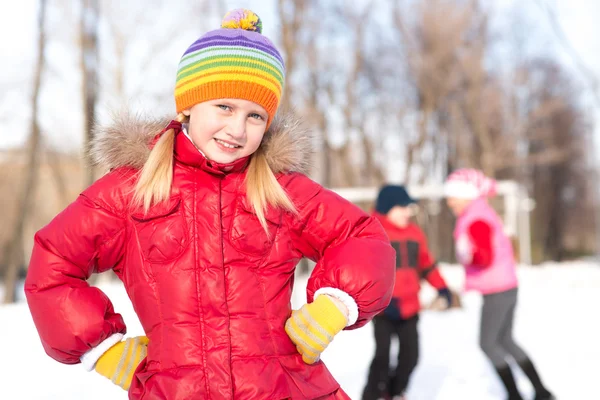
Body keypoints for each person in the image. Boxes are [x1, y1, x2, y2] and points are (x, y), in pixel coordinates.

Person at [24, 9, 396, 400]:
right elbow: (53, 264)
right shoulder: (132, 191)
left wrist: (336, 302)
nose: (237, 129)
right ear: (187, 105)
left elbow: (362, 238)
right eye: (224, 107)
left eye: (255, 115)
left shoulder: (280, 190)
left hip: (282, 388)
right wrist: (101, 348)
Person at [444, 169, 554, 400]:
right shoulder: (479, 212)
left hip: (497, 289)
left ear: (466, 195)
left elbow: (483, 256)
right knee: (505, 340)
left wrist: (467, 255)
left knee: (488, 344)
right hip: (504, 286)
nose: (449, 202)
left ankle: (515, 394)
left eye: (452, 197)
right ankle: (541, 391)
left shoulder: (476, 218)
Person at [362, 185, 453, 400]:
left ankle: (394, 392)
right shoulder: (373, 232)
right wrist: (382, 298)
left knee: (410, 356)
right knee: (382, 356)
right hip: (384, 309)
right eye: (402, 207)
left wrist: (442, 286)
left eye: (408, 207)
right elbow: (366, 272)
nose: (408, 212)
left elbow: (426, 264)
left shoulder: (414, 233)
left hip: (410, 306)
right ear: (387, 208)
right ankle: (371, 395)